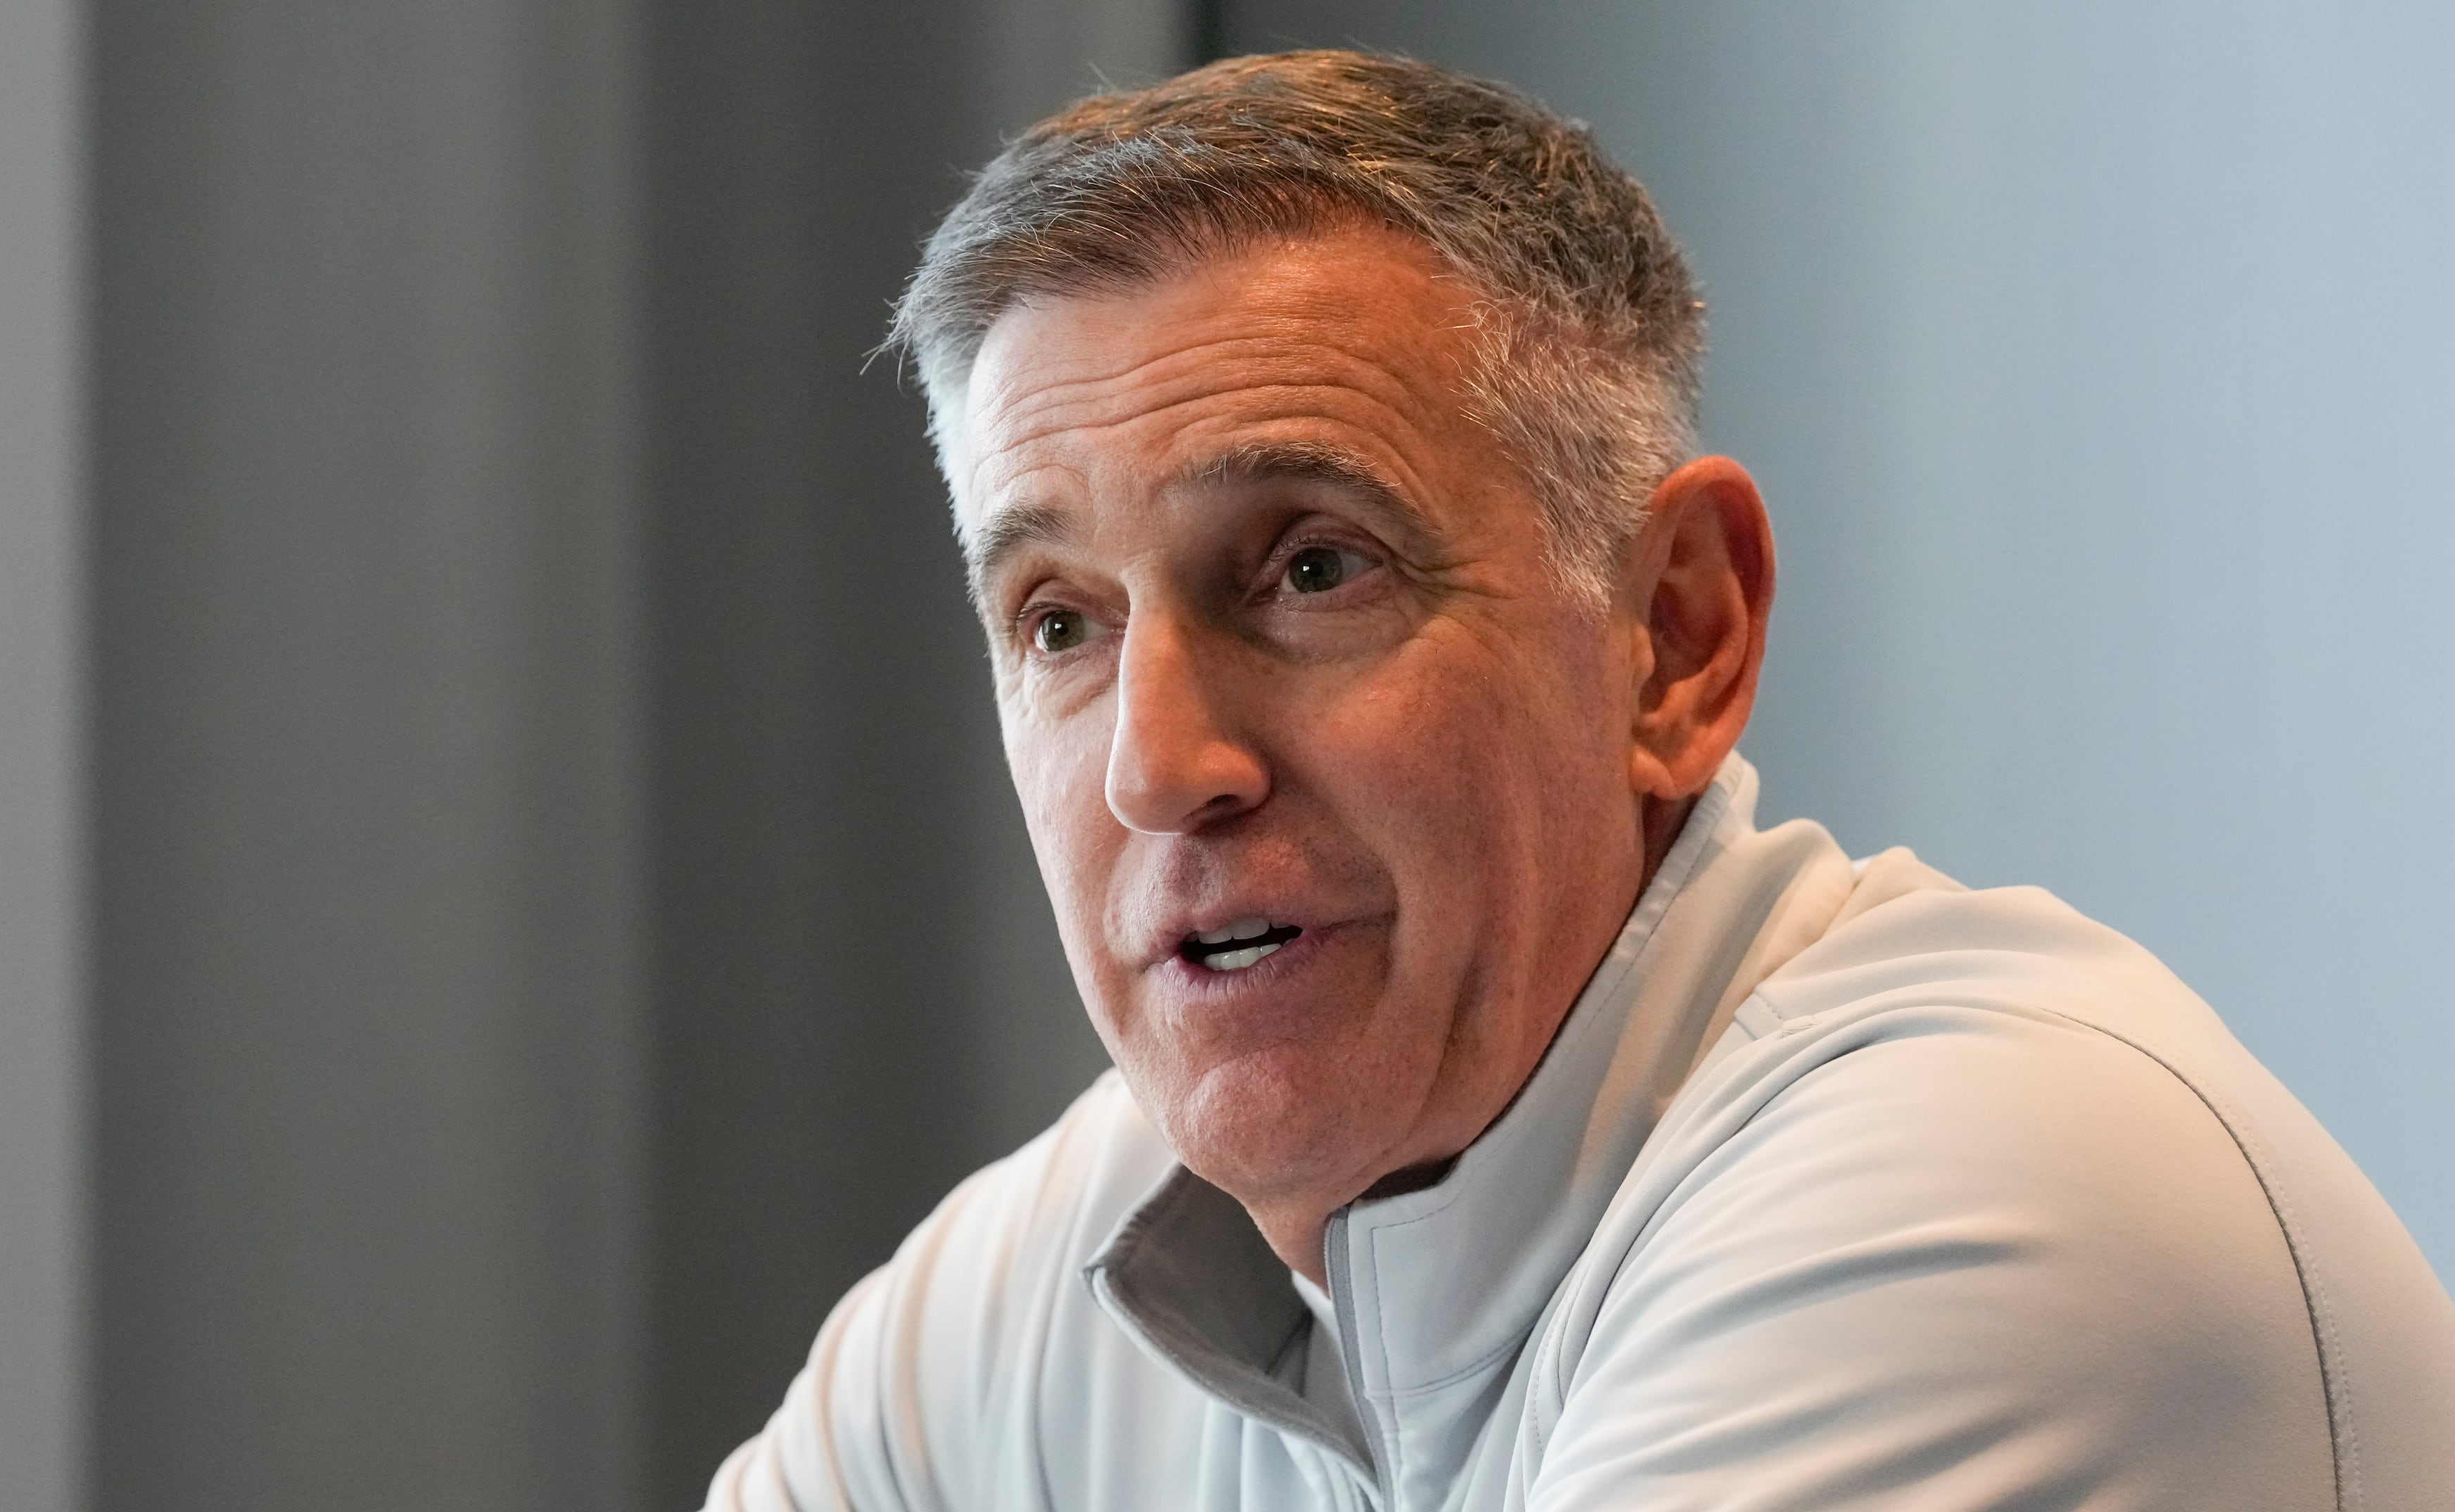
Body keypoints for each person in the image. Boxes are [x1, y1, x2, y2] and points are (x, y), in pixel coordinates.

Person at [707, 50, 2455, 1511]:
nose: (1163, 767)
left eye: (1312, 566)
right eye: (1060, 622)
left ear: (1677, 635)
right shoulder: (1045, 1294)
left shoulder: (1990, 1203)